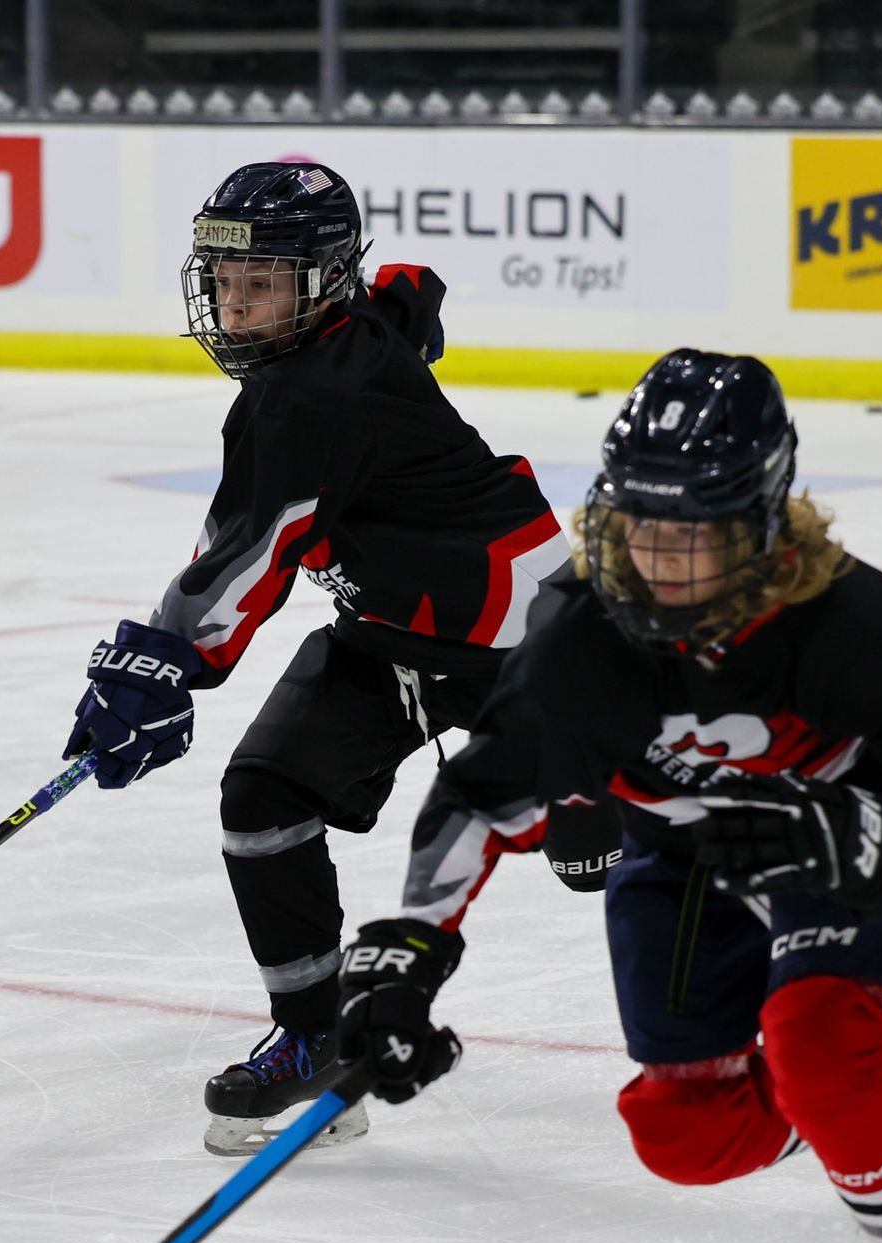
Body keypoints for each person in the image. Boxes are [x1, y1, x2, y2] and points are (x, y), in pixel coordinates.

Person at [337, 349, 882, 1243]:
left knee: (817, 1040)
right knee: (685, 1134)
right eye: (637, 525)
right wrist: (412, 951)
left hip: (841, 861)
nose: (657, 560)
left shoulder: (855, 631)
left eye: (691, 531)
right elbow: (484, 793)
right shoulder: (581, 642)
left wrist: (869, 850)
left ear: (759, 524)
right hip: (676, 857)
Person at [61, 161, 616, 1156]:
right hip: (392, 629)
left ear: (322, 284)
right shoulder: (334, 343)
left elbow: (248, 557)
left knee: (619, 850)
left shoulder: (305, 400)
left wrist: (157, 664)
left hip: (526, 640)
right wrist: (406, 306)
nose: (234, 308)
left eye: (260, 285)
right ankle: (316, 1041)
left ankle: (858, 984)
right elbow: (405, 295)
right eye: (225, 283)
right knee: (263, 797)